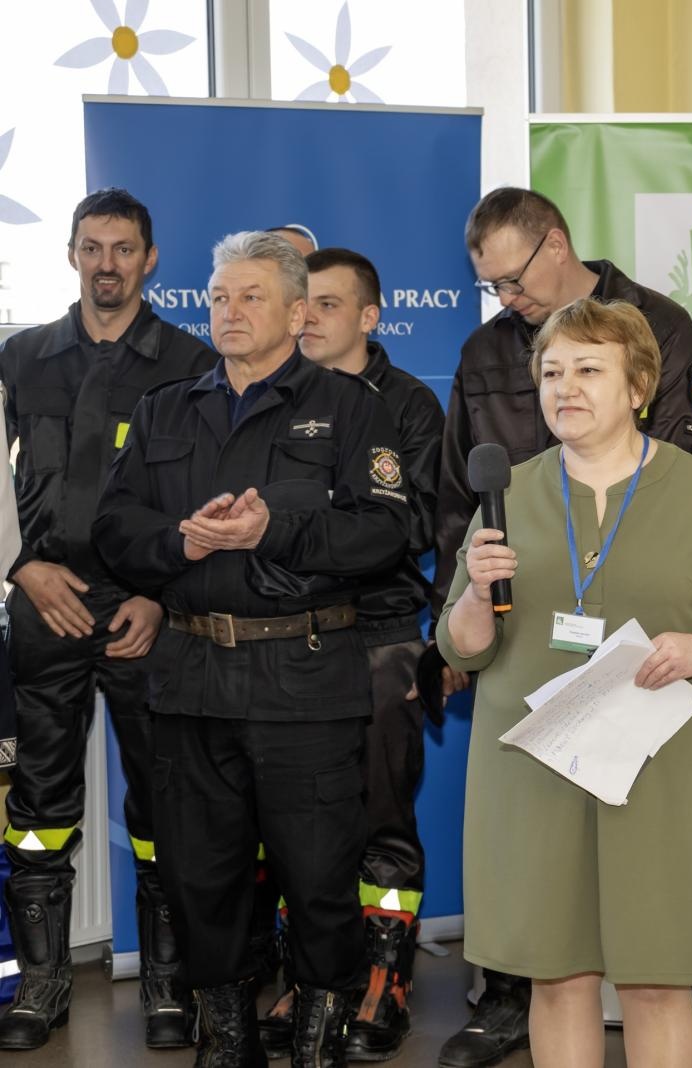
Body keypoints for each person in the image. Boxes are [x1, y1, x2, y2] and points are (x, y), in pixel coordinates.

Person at [437, 297, 692, 1068]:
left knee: (656, 979)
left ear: (638, 387)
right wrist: (468, 600)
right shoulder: (510, 493)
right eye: (552, 371)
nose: (566, 387)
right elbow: (462, 648)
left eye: (590, 369)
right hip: (532, 766)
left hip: (653, 766)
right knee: (556, 975)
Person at [94, 231, 411, 1066]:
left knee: (318, 881)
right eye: (219, 297)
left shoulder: (350, 408)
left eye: (251, 298)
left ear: (299, 312)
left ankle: (317, 1036)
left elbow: (387, 530)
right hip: (193, 679)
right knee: (202, 882)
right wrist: (181, 546)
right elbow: (114, 528)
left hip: (304, 681)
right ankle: (227, 1038)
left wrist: (281, 530)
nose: (228, 313)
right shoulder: (167, 407)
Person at [0, 188, 214, 1051]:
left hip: (144, 612)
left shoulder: (192, 361)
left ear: (150, 258)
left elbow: (208, 495)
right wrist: (21, 566)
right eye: (92, 248)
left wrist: (161, 594)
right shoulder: (20, 360)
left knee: (164, 798)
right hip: (43, 603)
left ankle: (168, 983)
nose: (107, 265)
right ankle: (43, 985)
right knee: (40, 802)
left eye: (124, 249)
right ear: (72, 255)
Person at [249, 247, 445, 1062]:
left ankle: (385, 983)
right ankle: (313, 975)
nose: (310, 318)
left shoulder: (408, 406)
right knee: (299, 826)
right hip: (292, 639)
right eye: (305, 304)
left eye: (328, 305)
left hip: (382, 638)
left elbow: (412, 525)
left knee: (381, 822)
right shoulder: (273, 397)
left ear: (369, 316)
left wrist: (310, 523)